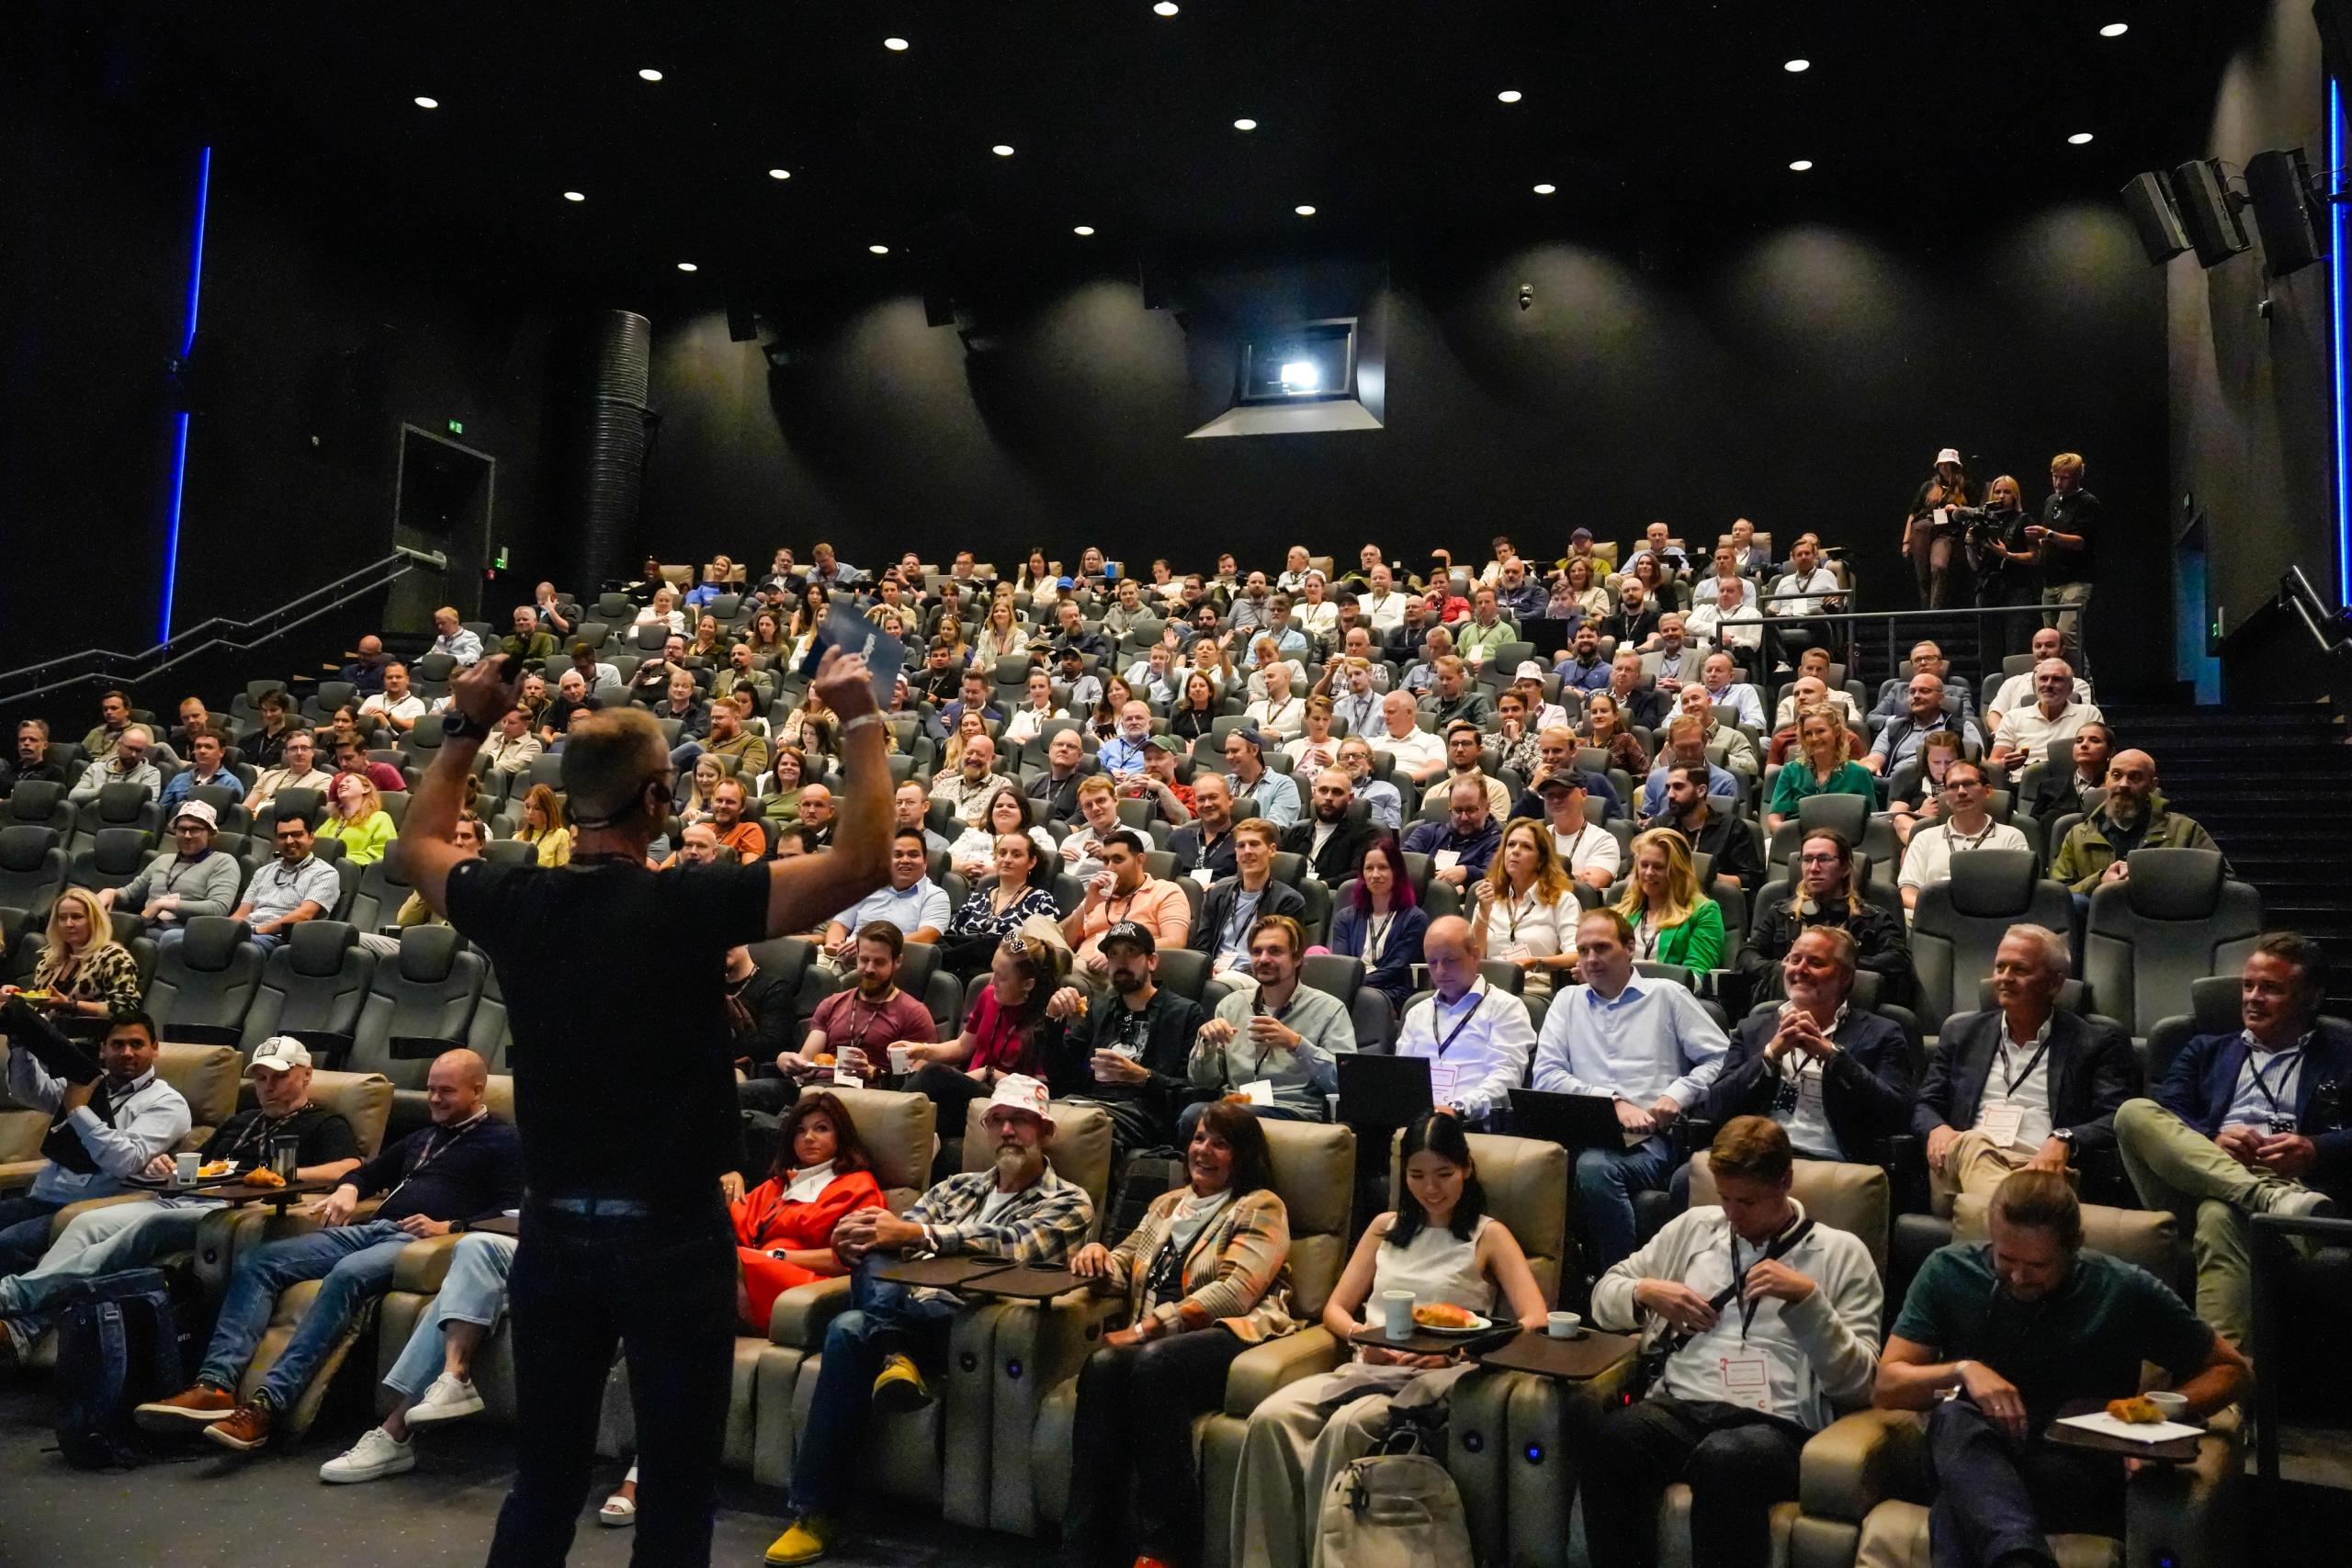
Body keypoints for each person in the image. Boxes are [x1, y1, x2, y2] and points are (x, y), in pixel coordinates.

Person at [388, 636, 894, 1564]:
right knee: (672, 1495)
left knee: (540, 1487)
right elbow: (863, 862)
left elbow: (414, 844)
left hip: (552, 1235)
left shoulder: (516, 898)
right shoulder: (689, 904)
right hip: (670, 1238)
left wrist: (466, 725)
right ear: (659, 799)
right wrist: (859, 716)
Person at [765, 1074, 1091, 1563]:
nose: (1007, 1131)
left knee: (856, 1325)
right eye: (998, 1120)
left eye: (1020, 1120)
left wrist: (921, 1235)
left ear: (1043, 1130)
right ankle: (894, 1358)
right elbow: (892, 1240)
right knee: (850, 1315)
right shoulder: (955, 1187)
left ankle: (820, 1510)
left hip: (964, 1325)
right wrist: (852, 1238)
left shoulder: (1068, 1200)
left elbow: (1018, 1251)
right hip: (903, 1301)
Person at [135, 1049, 522, 1454]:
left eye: (447, 1092)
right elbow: (367, 1171)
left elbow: (512, 1212)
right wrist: (349, 1189)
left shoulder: (503, 1141)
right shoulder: (425, 1136)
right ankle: (215, 1384)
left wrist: (451, 1227)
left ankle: (268, 1405)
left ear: (478, 1090)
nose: (435, 1100)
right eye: (430, 1090)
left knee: (347, 1275)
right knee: (261, 1261)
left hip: (420, 1244)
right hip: (371, 1229)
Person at [1875, 1170, 2248, 1568]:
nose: (2018, 1276)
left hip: (2074, 1464)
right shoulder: (1949, 1271)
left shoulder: (2122, 1288)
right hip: (1975, 1447)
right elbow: (1886, 1388)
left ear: (2074, 1247)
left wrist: (2152, 1412)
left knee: (1960, 1505)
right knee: (1953, 1417)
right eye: (2006, 1258)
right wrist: (1962, 1370)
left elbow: (2234, 1370)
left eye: (2037, 1265)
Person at [1230, 1110, 1549, 1568]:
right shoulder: (1385, 1228)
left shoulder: (1487, 1235)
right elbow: (1334, 1309)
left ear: (1466, 1170)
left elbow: (1534, 1317)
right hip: (1368, 1364)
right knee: (1270, 1418)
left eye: (1444, 1174)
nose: (1431, 1188)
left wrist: (1459, 1353)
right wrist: (1365, 1337)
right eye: (1417, 1175)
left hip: (1436, 1378)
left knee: (1347, 1427)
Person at [1581, 1117, 1884, 1568]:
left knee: (1725, 1459)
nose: (1733, 1215)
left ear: (1785, 1182)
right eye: (1724, 1198)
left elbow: (1860, 1385)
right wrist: (1646, 1292)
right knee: (1611, 1440)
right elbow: (1602, 1297)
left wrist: (1808, 1301)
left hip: (1776, 1423)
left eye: (1748, 1201)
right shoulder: (1694, 1229)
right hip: (1683, 1405)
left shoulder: (1842, 1253)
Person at [0, 1034, 359, 1362]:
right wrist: (165, 1165)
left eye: (279, 1077)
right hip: (186, 1197)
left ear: (307, 1076)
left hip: (236, 1211)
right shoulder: (243, 1120)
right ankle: (24, 1329)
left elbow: (349, 1167)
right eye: (262, 1078)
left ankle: (12, 1296)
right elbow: (200, 1164)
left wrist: (286, 1175)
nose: (268, 1087)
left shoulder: (325, 1123)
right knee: (86, 1223)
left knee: (149, 1227)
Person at [1063, 1103, 1295, 1568]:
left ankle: (1166, 1549)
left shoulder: (1260, 1206)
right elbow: (1124, 1265)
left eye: (1220, 1143)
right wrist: (1094, 1256)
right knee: (1103, 1366)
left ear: (1243, 1156)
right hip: (1157, 1343)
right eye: (1199, 1139)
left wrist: (1146, 1328)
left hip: (1230, 1336)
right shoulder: (1167, 1205)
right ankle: (1086, 1545)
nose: (1203, 1151)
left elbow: (1234, 1293)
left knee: (1155, 1363)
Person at [2111, 933, 2347, 1348]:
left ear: (2311, 998)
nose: (2253, 998)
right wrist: (2211, 1137)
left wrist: (2315, 1148)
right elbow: (2169, 1111)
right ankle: (2268, 1201)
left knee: (2221, 1214)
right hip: (2204, 1180)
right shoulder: (2205, 1049)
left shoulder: (2342, 1054)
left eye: (2271, 989)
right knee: (2134, 1113)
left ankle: (2225, 1397)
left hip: (2298, 1187)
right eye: (2248, 985)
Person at [1533, 908, 1729, 1269]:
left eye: (1602, 948)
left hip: (1653, 1139)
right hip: (1581, 1130)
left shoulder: (1668, 996)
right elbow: (1545, 1075)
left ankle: (1621, 1282)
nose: (1591, 959)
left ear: (1629, 947)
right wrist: (1613, 1103)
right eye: (1583, 950)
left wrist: (1677, 1094)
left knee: (1594, 1168)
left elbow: (1721, 1061)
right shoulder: (1567, 1001)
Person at [1912, 924, 2138, 1213]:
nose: (2004, 978)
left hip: (2041, 1170)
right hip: (1960, 1166)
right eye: (2000, 967)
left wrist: (2065, 1138)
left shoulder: (2095, 1042)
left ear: (2054, 983)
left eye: (2019, 970)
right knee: (1972, 1143)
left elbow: (2117, 1118)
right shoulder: (1961, 1033)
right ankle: (2017, 1216)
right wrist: (1936, 1128)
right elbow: (1924, 1104)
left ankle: (2000, 1215)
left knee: (2001, 1200)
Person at [0, 1009, 189, 1273]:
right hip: (42, 1197)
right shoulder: (86, 1082)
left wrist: (79, 1111)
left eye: (136, 1044)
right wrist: (21, 1043)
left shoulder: (167, 1103)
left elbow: (126, 1160)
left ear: (155, 1048)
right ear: (103, 1050)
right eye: (117, 1044)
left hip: (86, 1207)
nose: (126, 1053)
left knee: (5, 1245)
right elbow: (28, 1091)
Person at [1704, 929, 1913, 1161]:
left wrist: (1833, 1057)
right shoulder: (1752, 1029)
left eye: (1815, 962)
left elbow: (1896, 1116)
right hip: (1755, 1161)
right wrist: (1770, 1055)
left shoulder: (1882, 1033)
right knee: (1687, 1176)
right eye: (1794, 960)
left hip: (1833, 1165)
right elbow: (1716, 1109)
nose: (1800, 970)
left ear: (1845, 977)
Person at [1045, 919, 1206, 1159]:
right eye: (1113, 954)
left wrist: (1142, 1077)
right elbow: (1061, 1077)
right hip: (1086, 1105)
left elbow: (1193, 1092)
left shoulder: (1185, 1013)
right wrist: (1052, 1021)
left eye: (1131, 952)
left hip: (1143, 1115)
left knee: (1083, 1128)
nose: (1120, 962)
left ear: (1152, 961)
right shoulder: (1098, 1009)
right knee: (1029, 1117)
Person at [1186, 914, 1351, 1131]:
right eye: (1256, 951)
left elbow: (1345, 1083)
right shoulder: (1230, 1006)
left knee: (1227, 1118)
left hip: (1294, 1112)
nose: (1263, 959)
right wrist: (1206, 1045)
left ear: (1298, 958)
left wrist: (1296, 1044)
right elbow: (1202, 1083)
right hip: (1236, 1105)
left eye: (1275, 951)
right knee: (1193, 1115)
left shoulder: (1329, 1009)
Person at [900, 934, 1069, 1131]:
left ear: (1028, 984)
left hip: (1009, 1101)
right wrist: (922, 1050)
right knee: (922, 1082)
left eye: (1002, 977)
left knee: (933, 1074)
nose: (991, 981)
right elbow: (962, 1046)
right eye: (993, 971)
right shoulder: (989, 996)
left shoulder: (1047, 1018)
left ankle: (890, 1120)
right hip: (970, 1089)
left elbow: (1040, 1088)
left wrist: (988, 1073)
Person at [1736, 829, 1913, 1006]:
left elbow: (1898, 959)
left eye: (1824, 859)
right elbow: (1747, 956)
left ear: (1845, 868)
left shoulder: (1872, 917)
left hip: (1852, 1009)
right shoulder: (1780, 912)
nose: (1814, 868)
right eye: (1807, 859)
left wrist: (1837, 967)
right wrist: (1781, 969)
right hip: (1784, 1005)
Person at [1394, 915, 1536, 1129]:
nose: (1440, 971)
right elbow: (1403, 1077)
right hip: (1419, 1124)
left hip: (1472, 1123)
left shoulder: (1505, 1008)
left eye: (1450, 960)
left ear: (1475, 955)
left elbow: (1506, 1078)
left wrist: (1458, 1108)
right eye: (1432, 962)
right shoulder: (1417, 1013)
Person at [769, 925, 937, 1103]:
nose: (869, 969)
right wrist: (784, 1060)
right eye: (864, 960)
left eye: (879, 962)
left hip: (872, 1098)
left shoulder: (913, 1013)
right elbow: (806, 1059)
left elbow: (912, 1085)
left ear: (897, 962)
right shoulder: (833, 1003)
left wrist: (873, 1073)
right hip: (817, 1089)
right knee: (748, 1094)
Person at [2046, 749, 2220, 897]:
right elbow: (2058, 893)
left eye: (2135, 777)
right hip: (2099, 923)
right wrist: (2098, 882)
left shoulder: (2185, 830)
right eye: (2116, 775)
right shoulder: (2077, 835)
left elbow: (2221, 878)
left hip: (2167, 921)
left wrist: (2161, 882)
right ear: (2106, 780)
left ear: (2152, 785)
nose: (2123, 784)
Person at [1896, 760, 2029, 911]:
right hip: (1934, 922)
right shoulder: (1924, 838)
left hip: (1993, 918)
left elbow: (2018, 894)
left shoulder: (2011, 837)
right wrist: (1940, 915)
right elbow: (1907, 893)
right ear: (1945, 796)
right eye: (1952, 786)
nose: (1961, 792)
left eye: (1969, 784)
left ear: (1988, 791)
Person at [97, 799, 242, 939]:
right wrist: (110, 892)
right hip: (146, 927)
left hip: (184, 934)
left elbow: (218, 909)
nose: (187, 835)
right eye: (182, 829)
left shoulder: (223, 862)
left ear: (210, 833)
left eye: (195, 830)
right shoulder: (163, 860)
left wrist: (165, 904)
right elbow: (130, 893)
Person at [6, 885, 144, 1022]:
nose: (68, 924)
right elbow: (38, 1007)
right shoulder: (50, 960)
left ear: (94, 921)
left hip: (87, 1039)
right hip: (45, 1036)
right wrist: (15, 996)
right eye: (62, 918)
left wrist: (71, 1005)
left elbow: (127, 1009)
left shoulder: (114, 957)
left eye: (77, 917)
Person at [1472, 818, 1581, 993]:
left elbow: (1577, 955)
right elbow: (1474, 958)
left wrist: (1535, 962)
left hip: (1536, 991)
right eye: (1511, 844)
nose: (1515, 851)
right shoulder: (1489, 899)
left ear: (1541, 860)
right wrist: (1483, 915)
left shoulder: (1562, 901)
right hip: (1491, 991)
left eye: (1526, 846)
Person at [1191, 818, 1307, 975]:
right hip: (1214, 974)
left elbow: (1282, 957)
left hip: (1258, 974)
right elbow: (1201, 947)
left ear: (1271, 850)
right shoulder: (1216, 895)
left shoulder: (1289, 901)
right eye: (1241, 845)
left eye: (1254, 844)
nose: (1247, 851)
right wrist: (1207, 970)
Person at [816, 829, 948, 964]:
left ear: (925, 862)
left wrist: (870, 948)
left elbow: (927, 936)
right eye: (897, 855)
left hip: (890, 965)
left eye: (913, 855)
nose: (905, 860)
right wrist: (834, 945)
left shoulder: (935, 896)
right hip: (844, 958)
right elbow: (840, 924)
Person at [1328, 836, 1428, 1013]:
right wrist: (1350, 983)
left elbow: (1396, 968)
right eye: (1369, 868)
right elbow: (1343, 964)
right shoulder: (1345, 917)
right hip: (1350, 991)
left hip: (1392, 994)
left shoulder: (1415, 919)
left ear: (1396, 872)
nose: (1375, 875)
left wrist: (1353, 982)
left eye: (1383, 868)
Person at [220, 815, 342, 955]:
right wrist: (223, 930)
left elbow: (304, 915)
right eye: (283, 836)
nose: (289, 841)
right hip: (248, 933)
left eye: (296, 835)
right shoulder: (263, 872)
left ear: (311, 837)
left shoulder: (325, 873)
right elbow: (241, 914)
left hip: (283, 939)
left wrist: (259, 930)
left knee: (232, 945)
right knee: (196, 936)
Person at [1616, 828, 1726, 972]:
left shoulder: (1704, 911)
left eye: (1658, 867)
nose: (1649, 873)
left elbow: (1695, 975)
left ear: (1678, 870)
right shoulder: (1620, 912)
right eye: (1644, 865)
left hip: (1671, 993)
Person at [1645, 761, 1765, 890]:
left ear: (1701, 791)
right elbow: (1636, 871)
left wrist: (1704, 874)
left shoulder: (1732, 828)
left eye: (1678, 787)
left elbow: (1751, 880)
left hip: (1714, 901)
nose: (1670, 795)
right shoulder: (1658, 826)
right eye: (1668, 788)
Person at [2030, 451, 2098, 658]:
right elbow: (2048, 536)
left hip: (2075, 581)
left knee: (2067, 635)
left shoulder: (2087, 502)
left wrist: (2048, 534)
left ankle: (2080, 686)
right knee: (2050, 640)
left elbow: (2080, 542)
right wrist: (2038, 540)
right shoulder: (2051, 501)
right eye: (2054, 476)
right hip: (2050, 580)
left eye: (2064, 477)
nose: (2058, 482)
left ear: (2078, 476)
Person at [1767, 705, 1875, 834]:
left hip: (1846, 844)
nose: (1814, 738)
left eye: (1820, 731)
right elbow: (1774, 821)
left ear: (1836, 732)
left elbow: (1872, 822)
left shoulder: (1859, 773)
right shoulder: (1790, 770)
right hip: (1797, 843)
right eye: (1808, 733)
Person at [1987, 660, 2103, 770]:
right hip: (2021, 785)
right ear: (2035, 686)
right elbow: (1993, 763)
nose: (2048, 684)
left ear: (2070, 689)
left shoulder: (2088, 713)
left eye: (2057, 679)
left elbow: (2100, 756)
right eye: (2043, 679)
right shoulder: (2012, 717)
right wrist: (2004, 764)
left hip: (2072, 784)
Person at [1984, 626, 2096, 734]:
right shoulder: (2012, 683)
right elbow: (1994, 714)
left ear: (2062, 650)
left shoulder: (2077, 685)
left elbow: (2080, 720)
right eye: (2038, 646)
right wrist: (2003, 736)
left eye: (2049, 645)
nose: (2042, 650)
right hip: (2017, 742)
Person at [1280, 766, 1378, 885]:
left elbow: (1358, 873)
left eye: (1337, 792)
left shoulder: (1364, 835)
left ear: (1350, 798)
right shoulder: (1295, 832)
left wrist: (1324, 885)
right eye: (1323, 790)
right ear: (1314, 793)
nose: (1328, 797)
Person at [1902, 446, 1973, 609]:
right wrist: (1906, 541)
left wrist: (1958, 509)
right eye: (1941, 464)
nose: (1943, 467)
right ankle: (1925, 612)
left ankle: (1935, 611)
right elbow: (1913, 514)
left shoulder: (1965, 488)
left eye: (1947, 464)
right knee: (1923, 574)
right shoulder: (1928, 486)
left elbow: (1974, 511)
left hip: (1946, 533)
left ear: (1955, 466)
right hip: (1922, 530)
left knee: (1939, 567)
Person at [1639, 715, 1740, 820]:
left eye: (1694, 747)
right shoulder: (1655, 779)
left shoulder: (1725, 782)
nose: (1689, 754)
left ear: (1705, 742)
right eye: (1682, 748)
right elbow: (1647, 817)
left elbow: (1728, 828)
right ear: (1670, 745)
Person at [1532, 770, 1621, 888]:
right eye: (1550, 795)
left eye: (1563, 794)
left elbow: (1592, 884)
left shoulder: (1603, 840)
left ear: (1583, 794)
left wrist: (1540, 873)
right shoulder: (1536, 837)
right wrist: (1575, 875)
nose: (1556, 800)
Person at [946, 784, 1055, 881]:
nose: (1004, 809)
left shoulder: (1036, 834)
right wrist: (962, 866)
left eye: (1011, 806)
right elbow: (947, 859)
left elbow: (1042, 868)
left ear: (1023, 812)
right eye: (999, 806)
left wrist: (989, 869)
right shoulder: (973, 833)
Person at [1764, 536, 1842, 663]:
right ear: (1793, 558)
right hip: (1786, 618)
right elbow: (1774, 607)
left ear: (1814, 556)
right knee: (1765, 615)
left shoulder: (1827, 575)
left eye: (1807, 553)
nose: (1804, 557)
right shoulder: (1784, 581)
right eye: (1799, 554)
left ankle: (1824, 660)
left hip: (1810, 618)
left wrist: (1835, 600)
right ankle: (1782, 662)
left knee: (1818, 614)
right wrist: (1771, 611)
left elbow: (1839, 602)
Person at [2022, 720, 2114, 824]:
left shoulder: (2117, 786)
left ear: (2110, 751)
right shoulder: (2050, 786)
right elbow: (2034, 828)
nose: (2084, 745)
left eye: (2094, 740)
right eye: (2079, 741)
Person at [1887, 727, 1966, 847]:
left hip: (1962, 831)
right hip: (1922, 835)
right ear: (1926, 761)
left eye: (1949, 762)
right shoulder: (1909, 776)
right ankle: (1926, 850)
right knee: (1900, 820)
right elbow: (1893, 815)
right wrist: (1920, 813)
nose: (1943, 768)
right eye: (1936, 762)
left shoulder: (1972, 777)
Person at [316, 770, 397, 867]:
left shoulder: (380, 818)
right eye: (340, 784)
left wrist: (342, 860)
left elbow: (382, 852)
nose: (341, 785)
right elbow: (315, 844)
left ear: (365, 789)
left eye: (348, 781)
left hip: (357, 874)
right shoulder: (332, 820)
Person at [67, 721, 162, 804]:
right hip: (94, 820)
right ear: (119, 745)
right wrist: (102, 791)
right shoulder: (96, 768)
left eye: (138, 751)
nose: (133, 754)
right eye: (130, 748)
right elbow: (73, 796)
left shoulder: (151, 774)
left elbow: (148, 804)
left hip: (128, 823)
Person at [1368, 688, 1446, 784]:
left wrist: (1399, 778)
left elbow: (1437, 770)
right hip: (1373, 788)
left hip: (1409, 790)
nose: (1386, 717)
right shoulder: (1372, 743)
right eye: (1385, 712)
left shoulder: (1432, 741)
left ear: (1409, 713)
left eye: (1391, 712)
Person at [1582, 689, 1652, 777]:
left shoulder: (1625, 740)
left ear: (1615, 716)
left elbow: (1645, 774)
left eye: (1604, 711)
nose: (1598, 716)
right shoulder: (1580, 744)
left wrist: (1622, 780)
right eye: (1594, 712)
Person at [514, 782, 574, 867]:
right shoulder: (517, 837)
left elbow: (563, 873)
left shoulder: (560, 835)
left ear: (548, 810)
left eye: (537, 808)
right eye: (527, 807)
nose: (530, 812)